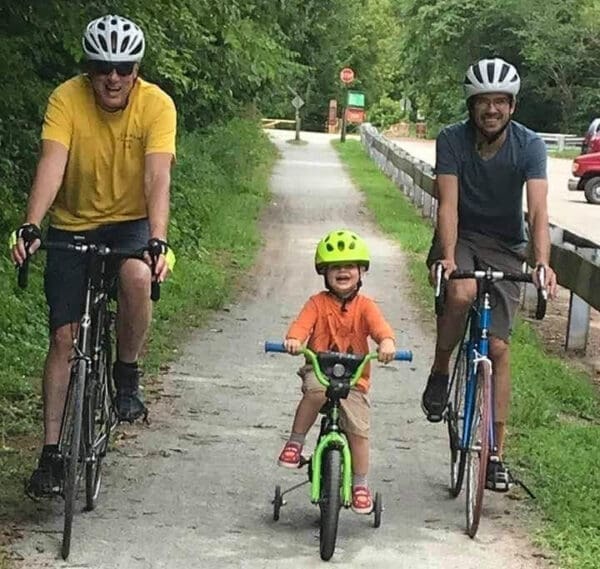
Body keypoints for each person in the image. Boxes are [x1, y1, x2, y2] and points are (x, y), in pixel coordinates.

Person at [10, 14, 177, 497]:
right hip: (72, 222)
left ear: (137, 69)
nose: (113, 77)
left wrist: (157, 237)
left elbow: (157, 177)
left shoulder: (156, 106)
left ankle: (126, 374)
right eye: (103, 67)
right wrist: (32, 223)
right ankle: (51, 456)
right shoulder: (66, 98)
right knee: (63, 337)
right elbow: (51, 163)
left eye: (124, 67)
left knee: (137, 279)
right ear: (89, 68)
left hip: (130, 223)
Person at [420, 57, 558, 491]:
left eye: (501, 102)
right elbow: (447, 204)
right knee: (459, 294)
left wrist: (541, 262)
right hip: (460, 235)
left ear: (513, 107)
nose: (492, 110)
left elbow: (537, 211)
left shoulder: (530, 145)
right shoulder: (451, 140)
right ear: (471, 106)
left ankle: (495, 453)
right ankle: (441, 369)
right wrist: (445, 255)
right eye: (484, 102)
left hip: (505, 246)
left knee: (497, 346)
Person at [277, 229, 396, 514]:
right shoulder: (317, 303)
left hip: (354, 379)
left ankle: (360, 484)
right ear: (324, 272)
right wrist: (294, 339)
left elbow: (381, 329)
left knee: (358, 428)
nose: (343, 271)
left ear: (361, 271)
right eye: (335, 267)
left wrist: (387, 343)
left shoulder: (366, 307)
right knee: (316, 392)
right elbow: (301, 325)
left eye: (349, 266)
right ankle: (295, 442)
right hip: (320, 369)